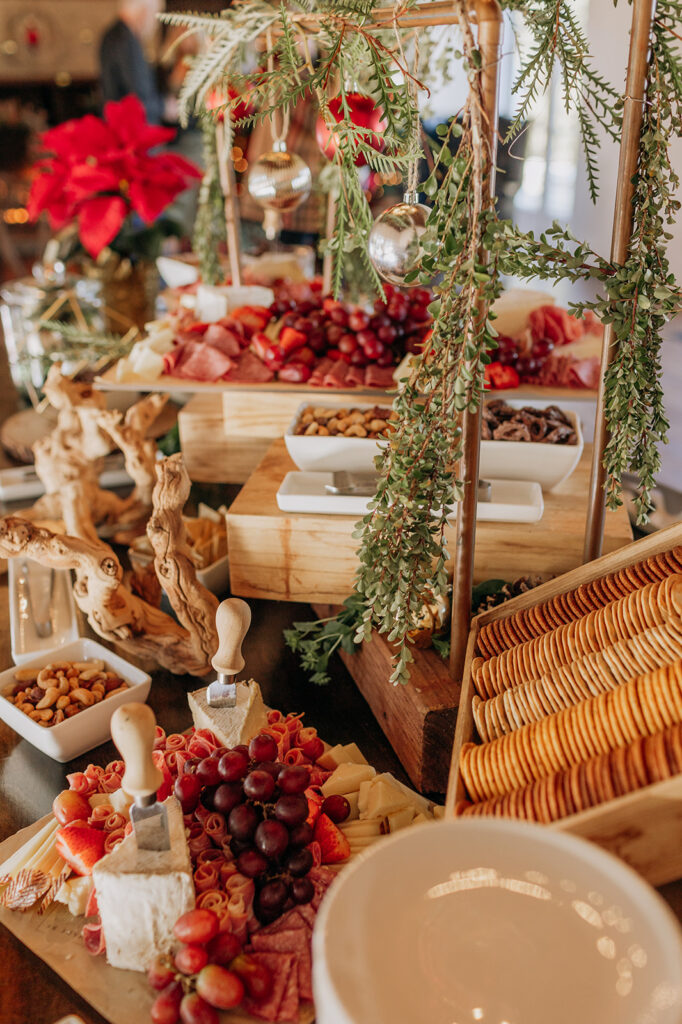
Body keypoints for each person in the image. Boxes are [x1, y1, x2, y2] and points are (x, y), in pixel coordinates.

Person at [99, 0, 177, 125]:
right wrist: (164, 106)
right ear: (144, 11)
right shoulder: (125, 40)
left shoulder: (116, 34)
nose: (156, 24)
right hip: (131, 130)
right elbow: (137, 99)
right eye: (156, 15)